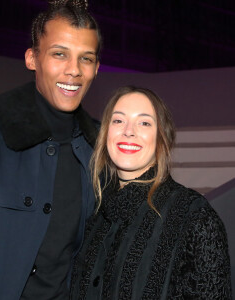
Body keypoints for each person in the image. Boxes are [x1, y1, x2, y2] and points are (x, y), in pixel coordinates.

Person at [0, 0, 101, 299]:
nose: (74, 70)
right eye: (59, 54)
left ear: (96, 68)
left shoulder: (98, 149)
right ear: (32, 59)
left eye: (86, 58)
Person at [70, 86, 232, 299]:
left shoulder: (194, 217)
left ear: (162, 138)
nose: (128, 131)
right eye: (118, 120)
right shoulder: (92, 212)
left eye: (144, 123)